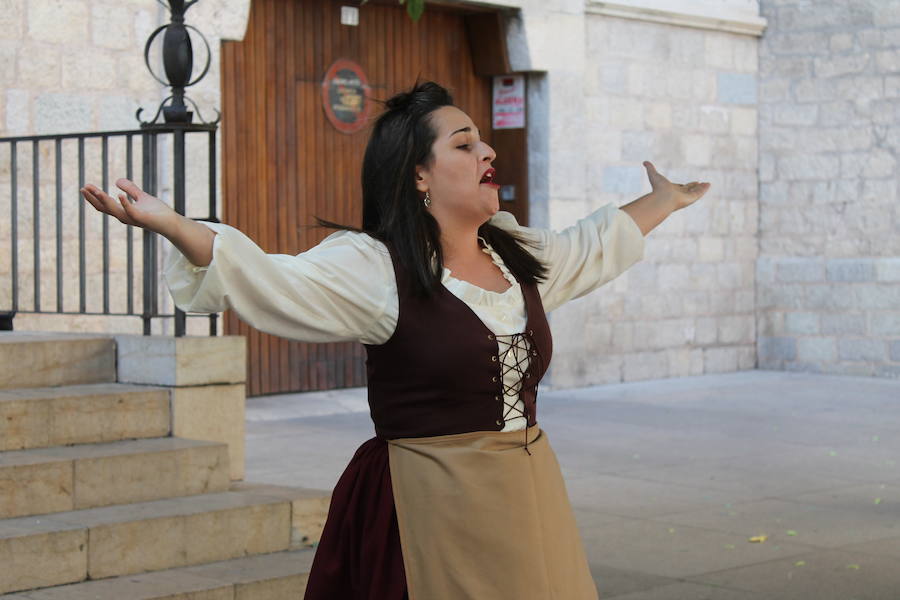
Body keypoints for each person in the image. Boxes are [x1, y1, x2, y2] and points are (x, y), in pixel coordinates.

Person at [80, 80, 711, 599]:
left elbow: (592, 244)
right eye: (464, 145)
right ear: (420, 177)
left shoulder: (517, 255)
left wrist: (662, 202)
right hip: (428, 503)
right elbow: (270, 277)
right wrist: (171, 224)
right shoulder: (377, 268)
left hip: (526, 498)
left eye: (482, 141)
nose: (487, 151)